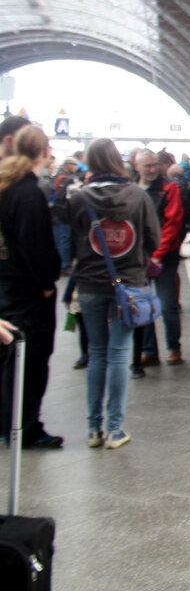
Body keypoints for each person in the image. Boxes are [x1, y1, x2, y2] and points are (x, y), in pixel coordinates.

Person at [64, 138, 160, 450]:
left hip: (90, 284)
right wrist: (134, 257)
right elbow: (154, 239)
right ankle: (115, 430)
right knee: (119, 354)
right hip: (128, 284)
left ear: (90, 162)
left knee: (97, 353)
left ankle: (94, 429)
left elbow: (72, 239)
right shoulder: (138, 195)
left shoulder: (80, 197)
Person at [0, 124, 64, 448]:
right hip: (29, 293)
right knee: (30, 360)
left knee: (8, 359)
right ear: (44, 151)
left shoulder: (6, 185)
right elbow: (36, 246)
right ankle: (25, 429)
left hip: (6, 285)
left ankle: (7, 423)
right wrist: (47, 283)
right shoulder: (29, 194)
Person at [132, 149, 185, 370]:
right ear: (137, 167)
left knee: (167, 304)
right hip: (138, 258)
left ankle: (174, 347)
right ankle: (149, 351)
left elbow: (173, 223)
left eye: (155, 165)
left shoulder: (169, 188)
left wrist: (158, 255)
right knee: (142, 305)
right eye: (148, 166)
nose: (153, 169)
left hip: (164, 258)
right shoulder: (131, 189)